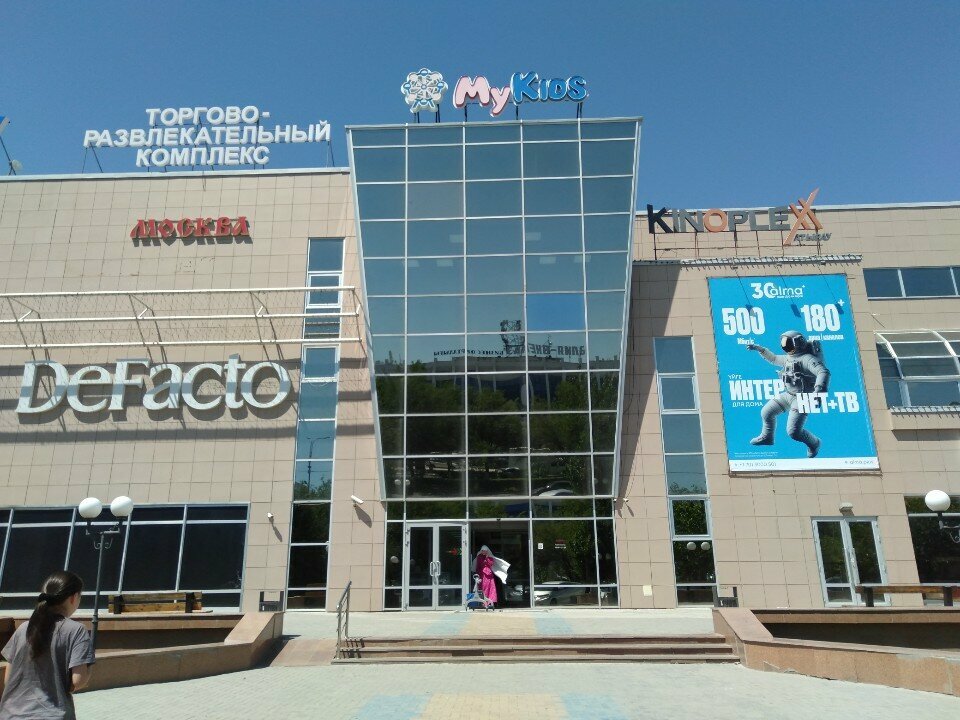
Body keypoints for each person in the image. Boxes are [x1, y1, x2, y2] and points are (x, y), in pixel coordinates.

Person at [0, 571, 92, 720]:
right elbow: (77, 681)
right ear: (74, 598)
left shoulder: (23, 629)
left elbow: (8, 678)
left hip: (11, 715)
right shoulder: (76, 630)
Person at [747, 330, 830, 458]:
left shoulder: (807, 359)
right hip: (789, 394)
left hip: (803, 398)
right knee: (766, 412)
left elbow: (823, 372)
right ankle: (767, 437)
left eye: (788, 344)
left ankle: (814, 443)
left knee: (793, 432)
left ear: (798, 343)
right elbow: (774, 358)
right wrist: (760, 349)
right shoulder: (788, 358)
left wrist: (819, 391)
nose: (786, 347)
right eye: (784, 344)